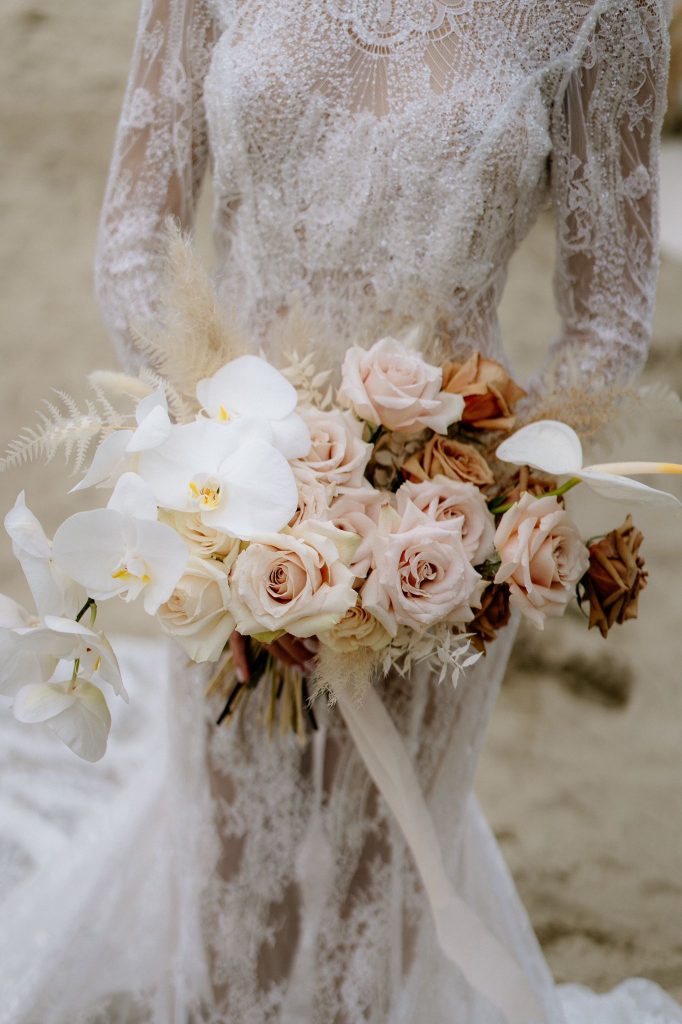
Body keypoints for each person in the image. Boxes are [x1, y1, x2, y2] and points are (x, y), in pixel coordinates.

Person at [1, 1, 681, 1022]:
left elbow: (612, 309)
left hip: (438, 545)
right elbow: (136, 240)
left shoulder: (604, 11)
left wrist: (489, 500)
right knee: (235, 865)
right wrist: (223, 449)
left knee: (379, 880)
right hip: (228, 512)